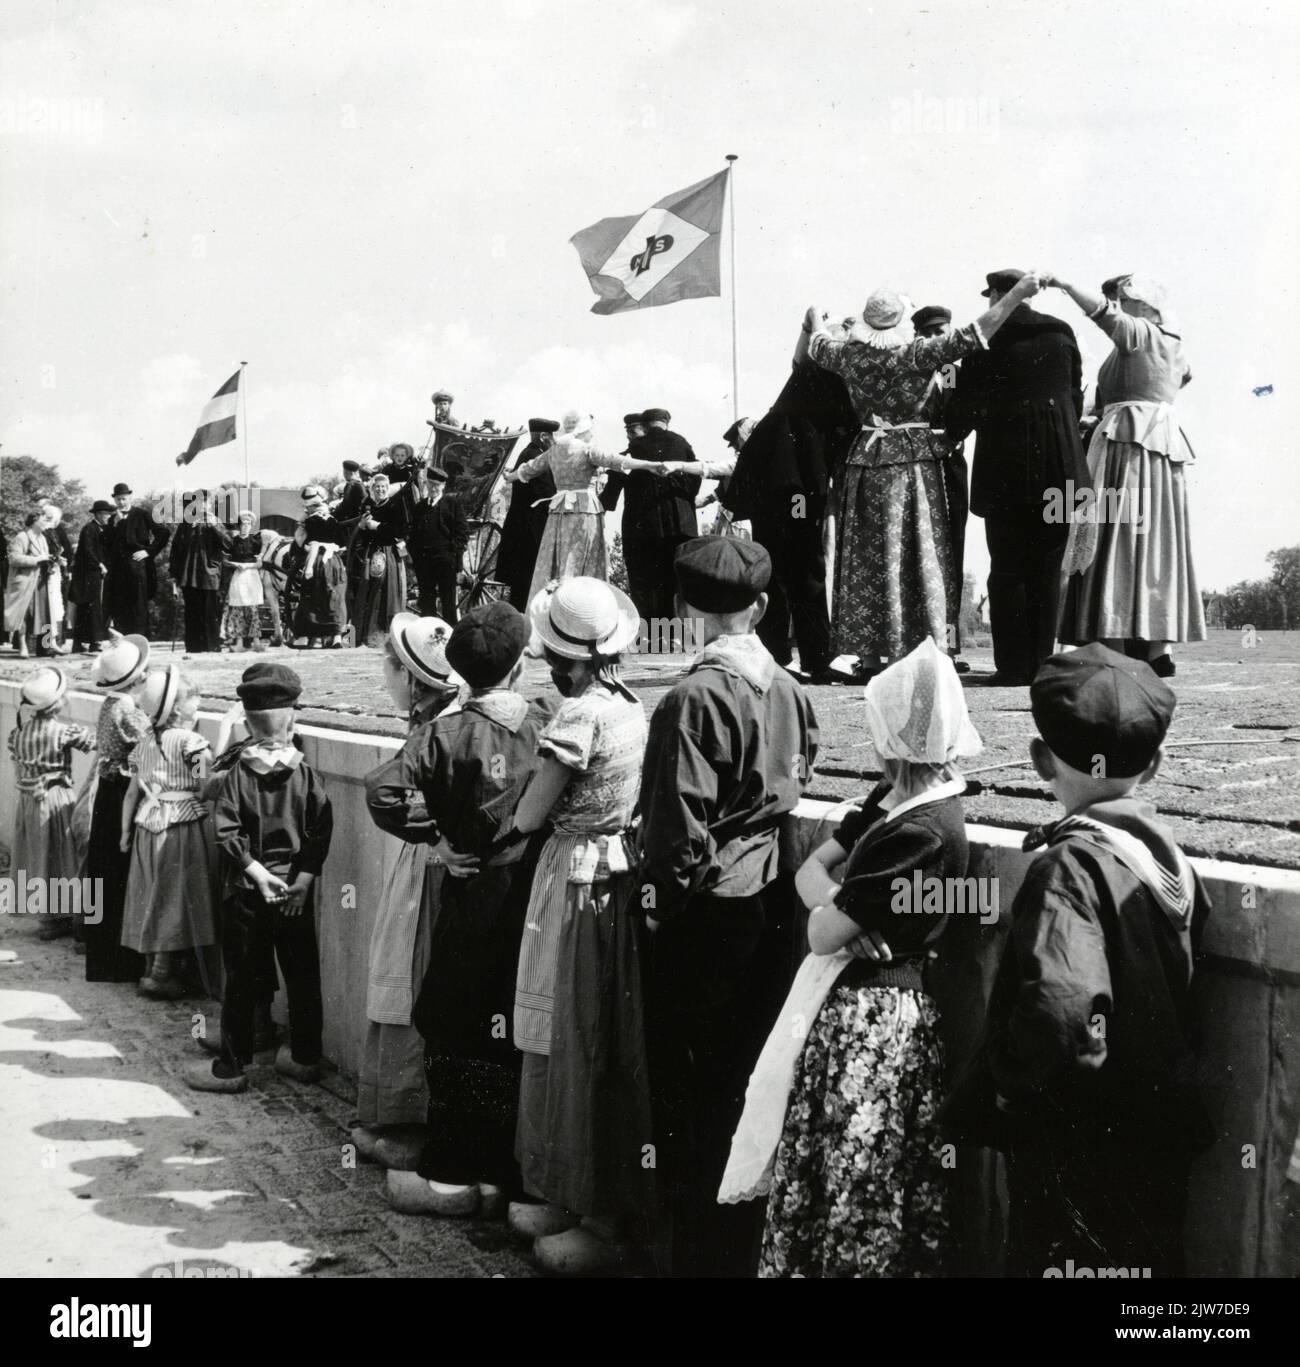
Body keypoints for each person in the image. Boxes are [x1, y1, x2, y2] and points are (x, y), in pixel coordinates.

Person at [943, 645, 1212, 1276]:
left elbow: (1062, 1014)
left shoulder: (1068, 867)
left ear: (1039, 760)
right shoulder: (1174, 862)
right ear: (1159, 764)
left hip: (1082, 1142)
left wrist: (1010, 1088)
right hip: (1157, 1131)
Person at [719, 638, 980, 1276]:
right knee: (832, 1163)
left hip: (879, 1022)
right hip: (852, 1008)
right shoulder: (892, 804)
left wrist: (837, 918)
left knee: (862, 1175)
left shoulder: (924, 829)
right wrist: (843, 912)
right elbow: (811, 874)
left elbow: (818, 930)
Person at [638, 537, 819, 1277]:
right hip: (772, 900)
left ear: (684, 611)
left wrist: (656, 906)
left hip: (706, 912)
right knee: (749, 1087)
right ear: (764, 606)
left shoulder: (690, 697)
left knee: (693, 1098)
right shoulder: (789, 688)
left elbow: (674, 832)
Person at [365, 602, 554, 1219]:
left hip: (468, 891)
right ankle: (501, 1171)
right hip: (526, 894)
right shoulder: (544, 720)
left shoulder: (441, 732)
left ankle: (451, 1170)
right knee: (508, 1028)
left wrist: (434, 839)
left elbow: (383, 790)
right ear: (522, 664)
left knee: (452, 1020)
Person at [500, 579, 653, 1276]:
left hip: (574, 876)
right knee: (589, 1032)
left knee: (567, 1031)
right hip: (617, 869)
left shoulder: (576, 717)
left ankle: (589, 1203)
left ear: (570, 660)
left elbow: (531, 815)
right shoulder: (631, 706)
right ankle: (573, 1192)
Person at [803, 274, 1046, 679]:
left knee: (870, 556)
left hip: (865, 459)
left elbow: (816, 343)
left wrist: (815, 316)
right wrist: (1018, 293)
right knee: (919, 551)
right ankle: (921, 647)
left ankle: (872, 655)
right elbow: (976, 334)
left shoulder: (847, 356)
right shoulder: (915, 355)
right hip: (914, 460)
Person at [183, 663, 334, 1094]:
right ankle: (304, 1058)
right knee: (303, 974)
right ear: (294, 719)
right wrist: (303, 881)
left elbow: (225, 831)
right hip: (295, 894)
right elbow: (321, 830)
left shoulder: (237, 775)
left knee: (242, 978)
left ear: (248, 723)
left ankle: (231, 1067)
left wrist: (256, 872)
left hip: (249, 892)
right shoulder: (306, 774)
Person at [1047, 273, 1205, 677]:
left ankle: (1112, 639)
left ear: (1145, 307)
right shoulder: (1174, 343)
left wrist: (1063, 283)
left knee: (1115, 534)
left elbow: (1101, 315)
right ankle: (1158, 646)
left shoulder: (1141, 334)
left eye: (1125, 300)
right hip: (1162, 446)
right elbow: (1179, 380)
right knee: (1157, 543)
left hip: (1128, 446)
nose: (1117, 305)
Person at [350, 617, 463, 1163]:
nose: (384, 677)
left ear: (410, 678)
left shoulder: (435, 728)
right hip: (428, 862)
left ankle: (411, 1122)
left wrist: (434, 839)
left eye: (389, 666)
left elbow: (400, 798)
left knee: (414, 974)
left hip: (431, 867)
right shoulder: (432, 718)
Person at [947, 269, 1088, 684]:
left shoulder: (984, 340)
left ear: (995, 295)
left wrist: (947, 431)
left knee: (1007, 567)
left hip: (1005, 468)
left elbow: (965, 408)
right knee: (1048, 567)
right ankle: (1042, 663)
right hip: (1059, 466)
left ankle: (1011, 665)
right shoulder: (1061, 331)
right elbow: (1075, 396)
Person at [723, 357, 859, 684]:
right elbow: (805, 478)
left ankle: (778, 656)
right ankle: (816, 656)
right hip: (795, 497)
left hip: (768, 500)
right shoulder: (810, 416)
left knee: (776, 574)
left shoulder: (782, 414)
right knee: (805, 570)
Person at [119, 665, 219, 1000]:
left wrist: (123, 833)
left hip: (147, 824)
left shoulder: (147, 741)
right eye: (195, 698)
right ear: (177, 709)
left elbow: (133, 792)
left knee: (152, 894)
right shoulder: (189, 742)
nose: (199, 703)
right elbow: (208, 783)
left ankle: (152, 968)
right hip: (179, 825)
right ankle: (163, 972)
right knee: (176, 895)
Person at [505, 411, 663, 606]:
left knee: (557, 558)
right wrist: (650, 464)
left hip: (559, 513)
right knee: (582, 560)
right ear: (582, 431)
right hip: (584, 511)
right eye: (590, 431)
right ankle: (581, 607)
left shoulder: (554, 451)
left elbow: (527, 469)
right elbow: (616, 461)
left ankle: (552, 606)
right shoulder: (588, 450)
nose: (592, 435)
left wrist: (509, 476)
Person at [8, 666, 96, 941]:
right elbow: (95, 743)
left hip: (28, 800)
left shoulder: (17, 734)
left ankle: (46, 916)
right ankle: (62, 914)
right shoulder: (63, 731)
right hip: (56, 797)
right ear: (58, 702)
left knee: (37, 853)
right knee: (62, 852)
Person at [83, 633, 152, 982]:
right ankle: (120, 960)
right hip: (123, 792)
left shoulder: (110, 704)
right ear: (139, 678)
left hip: (106, 792)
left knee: (102, 869)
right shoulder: (130, 711)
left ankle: (99, 953)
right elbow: (152, 744)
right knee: (119, 875)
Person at [599, 407, 701, 625]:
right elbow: (696, 477)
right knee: (678, 583)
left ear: (644, 426)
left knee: (644, 584)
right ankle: (680, 638)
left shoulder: (632, 451)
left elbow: (610, 495)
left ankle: (650, 641)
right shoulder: (682, 443)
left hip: (643, 528)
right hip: (682, 527)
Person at [913, 305, 972, 673]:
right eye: (931, 333)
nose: (938, 339)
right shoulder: (912, 368)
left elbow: (962, 417)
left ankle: (948, 645)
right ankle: (917, 642)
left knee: (952, 551)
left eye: (943, 332)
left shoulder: (952, 372)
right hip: (918, 465)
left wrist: (950, 437)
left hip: (948, 465)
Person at [496, 418, 560, 609]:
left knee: (522, 585)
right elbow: (546, 492)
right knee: (527, 585)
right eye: (553, 438)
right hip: (530, 532)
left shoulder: (529, 452)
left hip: (524, 530)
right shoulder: (534, 457)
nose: (555, 442)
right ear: (543, 437)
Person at [348, 471, 415, 647]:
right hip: (371, 553)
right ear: (372, 488)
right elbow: (362, 533)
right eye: (377, 487)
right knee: (368, 590)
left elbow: (399, 531)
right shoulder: (367, 505)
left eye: (383, 487)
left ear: (388, 488)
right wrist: (362, 526)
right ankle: (364, 635)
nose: (380, 490)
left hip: (389, 552)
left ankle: (386, 635)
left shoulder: (394, 505)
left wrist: (378, 526)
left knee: (388, 592)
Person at [168, 492, 231, 654]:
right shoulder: (185, 525)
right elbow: (175, 551)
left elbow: (228, 545)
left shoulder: (215, 522)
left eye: (205, 503)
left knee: (210, 612)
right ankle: (194, 647)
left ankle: (212, 647)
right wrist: (174, 575)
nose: (202, 506)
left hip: (209, 574)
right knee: (192, 612)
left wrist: (213, 526)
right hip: (189, 576)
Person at [105, 482, 170, 637]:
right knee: (120, 604)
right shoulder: (112, 519)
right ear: (115, 500)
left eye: (124, 499)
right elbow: (105, 542)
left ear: (130, 498)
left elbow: (163, 533)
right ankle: (123, 641)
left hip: (137, 566)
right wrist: (114, 525)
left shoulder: (142, 514)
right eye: (118, 499)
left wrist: (148, 552)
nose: (121, 502)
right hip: (118, 568)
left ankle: (140, 640)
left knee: (138, 604)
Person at [288, 486, 349, 648]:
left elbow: (302, 543)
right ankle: (336, 637)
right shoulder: (335, 520)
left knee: (310, 596)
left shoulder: (309, 521)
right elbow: (343, 545)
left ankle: (306, 637)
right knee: (335, 597)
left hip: (316, 562)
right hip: (334, 562)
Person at [407, 465, 469, 623]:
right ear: (426, 484)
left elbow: (462, 533)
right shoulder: (420, 507)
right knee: (426, 602)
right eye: (430, 484)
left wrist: (451, 553)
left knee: (448, 602)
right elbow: (413, 535)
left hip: (445, 562)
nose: (433, 488)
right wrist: (415, 557)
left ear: (443, 486)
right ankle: (427, 637)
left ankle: (451, 640)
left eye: (437, 485)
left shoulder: (452, 504)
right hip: (424, 562)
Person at [5, 512, 58, 658]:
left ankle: (45, 647)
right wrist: (36, 560)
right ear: (34, 521)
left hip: (41, 581)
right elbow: (13, 558)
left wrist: (51, 563)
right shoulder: (22, 537)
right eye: (43, 520)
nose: (46, 523)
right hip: (26, 582)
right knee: (25, 614)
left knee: (46, 615)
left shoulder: (42, 538)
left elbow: (44, 557)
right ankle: (23, 647)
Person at [690, 418, 752, 539]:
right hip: (728, 521)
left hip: (740, 524)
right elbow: (709, 498)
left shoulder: (743, 463)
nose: (736, 450)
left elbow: (711, 468)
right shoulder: (731, 475)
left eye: (737, 446)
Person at [70, 501, 116, 653]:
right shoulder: (89, 529)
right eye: (105, 514)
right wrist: (99, 564)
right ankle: (86, 642)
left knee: (93, 607)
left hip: (95, 574)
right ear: (97, 514)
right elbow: (88, 551)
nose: (107, 517)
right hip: (87, 575)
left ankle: (90, 641)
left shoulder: (102, 529)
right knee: (88, 607)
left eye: (109, 514)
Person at [225, 509, 266, 651]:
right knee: (238, 609)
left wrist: (247, 565)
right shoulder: (233, 541)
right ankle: (239, 643)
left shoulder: (256, 541)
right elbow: (226, 560)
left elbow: (260, 563)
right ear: (239, 525)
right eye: (243, 523)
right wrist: (235, 564)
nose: (246, 526)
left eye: (249, 523)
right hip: (238, 576)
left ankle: (256, 642)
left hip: (252, 576)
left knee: (253, 609)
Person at [40, 504, 74, 651]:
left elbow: (63, 550)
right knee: (47, 610)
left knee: (56, 609)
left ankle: (55, 642)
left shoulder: (54, 532)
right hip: (45, 574)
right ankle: (46, 645)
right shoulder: (42, 532)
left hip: (55, 573)